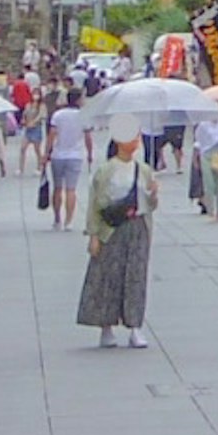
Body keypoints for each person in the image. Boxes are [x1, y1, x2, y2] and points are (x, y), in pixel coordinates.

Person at [79, 123, 154, 347]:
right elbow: (96, 204)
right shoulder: (106, 171)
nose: (136, 141)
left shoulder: (144, 169)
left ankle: (135, 327)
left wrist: (154, 195)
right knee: (108, 276)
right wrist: (93, 235)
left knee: (136, 276)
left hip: (138, 226)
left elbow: (150, 205)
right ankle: (106, 326)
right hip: (112, 228)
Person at [45, 95, 90, 229]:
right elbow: (88, 137)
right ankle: (69, 221)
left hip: (58, 155)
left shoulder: (58, 115)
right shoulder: (83, 116)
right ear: (77, 100)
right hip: (75, 155)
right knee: (71, 190)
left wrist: (46, 153)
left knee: (57, 188)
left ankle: (57, 218)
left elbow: (51, 135)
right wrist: (90, 154)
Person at [193, 108, 218, 220]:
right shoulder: (203, 125)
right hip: (207, 155)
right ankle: (210, 209)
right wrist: (195, 158)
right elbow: (198, 142)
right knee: (209, 184)